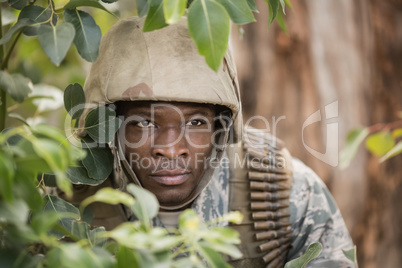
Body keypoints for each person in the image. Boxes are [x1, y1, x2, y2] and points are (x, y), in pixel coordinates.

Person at [66, 17, 354, 267]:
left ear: (221, 127)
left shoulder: (286, 190)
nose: (170, 148)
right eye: (143, 123)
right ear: (108, 126)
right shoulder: (65, 200)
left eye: (195, 123)